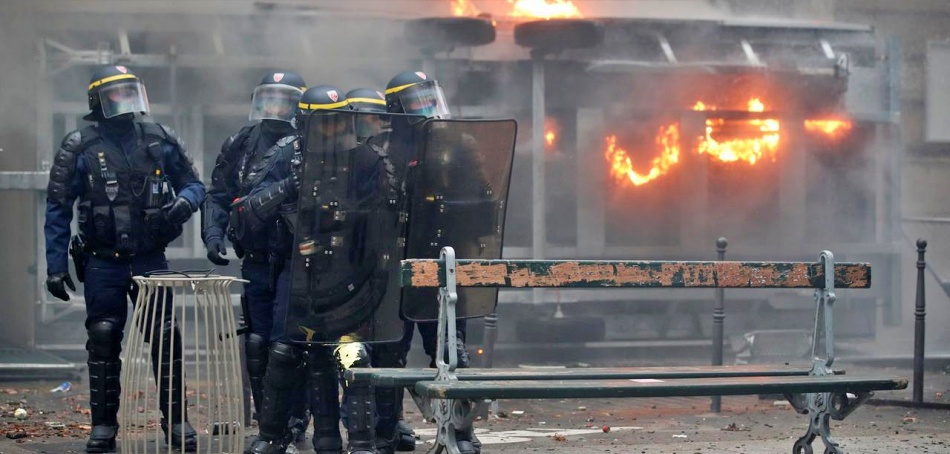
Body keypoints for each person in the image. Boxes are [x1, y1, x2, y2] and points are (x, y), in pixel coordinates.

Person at [44, 65, 205, 453]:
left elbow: (195, 184)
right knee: (102, 338)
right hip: (103, 262)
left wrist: (185, 203)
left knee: (165, 339)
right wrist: (54, 266)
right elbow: (57, 206)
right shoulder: (79, 146)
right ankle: (103, 427)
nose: (126, 103)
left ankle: (177, 420)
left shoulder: (159, 138)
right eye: (116, 96)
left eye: (129, 94)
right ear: (97, 102)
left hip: (150, 259)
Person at [237, 86, 381, 454]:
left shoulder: (364, 158)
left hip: (349, 270)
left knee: (352, 353)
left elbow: (389, 212)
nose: (334, 133)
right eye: (325, 124)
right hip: (298, 267)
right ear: (304, 123)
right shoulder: (287, 155)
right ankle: (271, 435)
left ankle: (362, 441)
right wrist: (289, 186)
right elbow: (244, 212)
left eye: (339, 123)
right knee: (286, 351)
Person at [201, 71, 309, 437]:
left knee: (287, 343)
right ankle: (270, 425)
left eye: (286, 100)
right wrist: (213, 232)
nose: (276, 108)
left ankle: (295, 420)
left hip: (296, 259)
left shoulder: (308, 142)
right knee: (258, 343)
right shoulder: (241, 143)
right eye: (269, 98)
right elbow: (217, 194)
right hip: (257, 259)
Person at [376, 70, 478, 454]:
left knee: (454, 351)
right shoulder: (382, 150)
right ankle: (387, 429)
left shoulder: (460, 146)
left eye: (430, 98)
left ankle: (461, 431)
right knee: (389, 351)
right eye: (418, 102)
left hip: (443, 266)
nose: (429, 110)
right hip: (397, 269)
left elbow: (485, 201)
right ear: (396, 110)